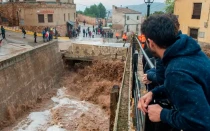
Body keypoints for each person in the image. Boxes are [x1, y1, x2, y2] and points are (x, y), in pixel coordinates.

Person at [138, 14, 210, 131]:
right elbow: (189, 87)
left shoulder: (176, 71)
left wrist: (162, 114)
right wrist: (154, 93)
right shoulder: (189, 51)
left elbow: (201, 123)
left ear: (151, 43)